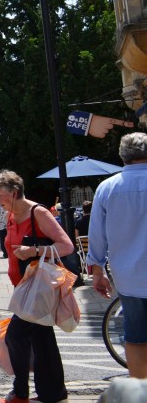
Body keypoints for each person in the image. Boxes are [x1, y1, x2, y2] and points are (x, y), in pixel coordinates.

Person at [0, 170, 72, 403]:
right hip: (24, 288)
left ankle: (20, 391)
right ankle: (53, 393)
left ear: (14, 193)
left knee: (15, 335)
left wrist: (34, 251)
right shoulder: (12, 215)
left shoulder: (38, 212)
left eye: (0, 196)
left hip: (39, 289)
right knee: (42, 340)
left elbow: (67, 246)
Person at [87, 132, 147, 379]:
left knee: (134, 335)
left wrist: (97, 271)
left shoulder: (108, 187)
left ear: (123, 156)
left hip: (128, 276)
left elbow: (97, 235)